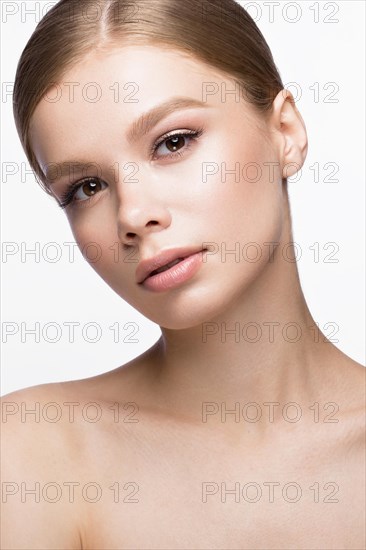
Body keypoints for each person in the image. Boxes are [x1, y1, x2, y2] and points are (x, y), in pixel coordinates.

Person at [2, 0, 365, 548]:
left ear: (285, 131)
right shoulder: (32, 454)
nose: (132, 214)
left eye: (173, 142)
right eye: (86, 187)